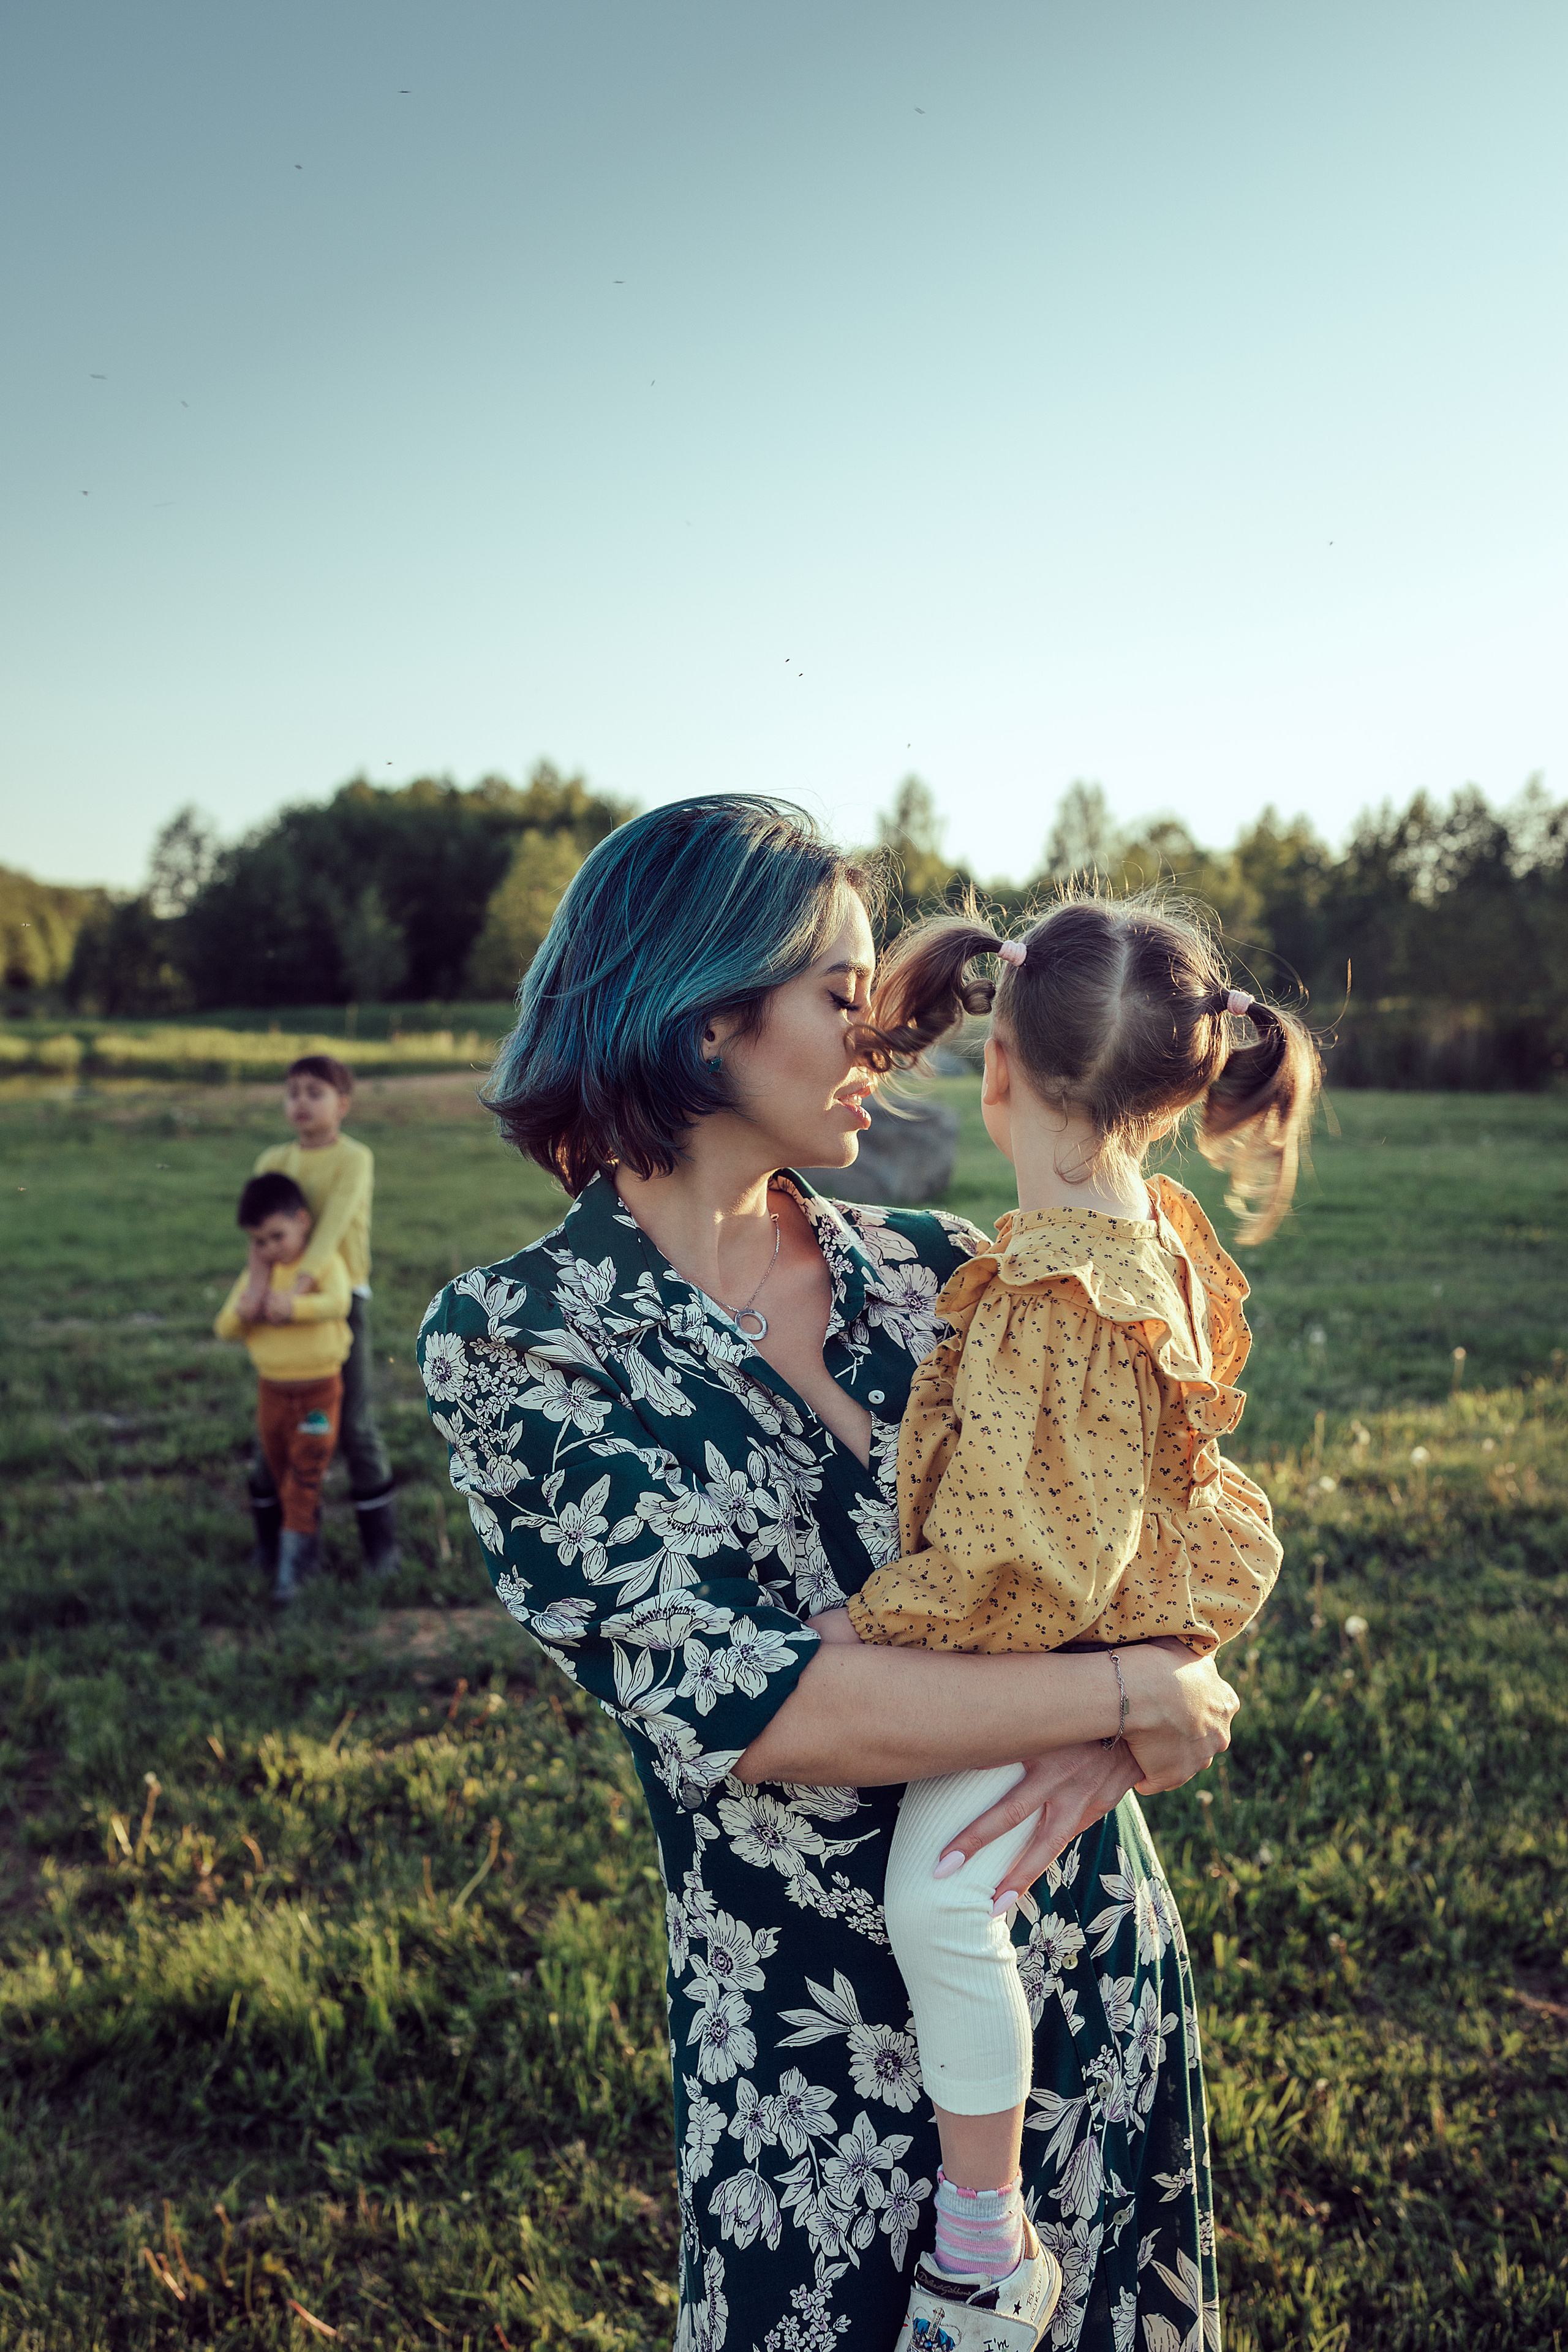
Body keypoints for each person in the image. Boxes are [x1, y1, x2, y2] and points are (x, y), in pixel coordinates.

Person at [417, 797, 1240, 2352]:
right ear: (709, 1017)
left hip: (1076, 1953)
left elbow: (1159, 1518)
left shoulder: (944, 1267)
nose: (884, 1031)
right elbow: (750, 1701)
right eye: (838, 993)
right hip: (808, 2044)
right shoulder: (523, 1339)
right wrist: (1128, 1694)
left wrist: (1167, 1684)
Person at [802, 900, 1316, 2346]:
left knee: (938, 1898)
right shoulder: (1144, 1222)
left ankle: (980, 2242)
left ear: (994, 1072)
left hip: (1051, 1644)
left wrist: (867, 1625)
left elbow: (1021, 1565)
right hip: (1127, 1620)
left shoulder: (1051, 1285)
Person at [248, 1054, 398, 1578]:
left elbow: (331, 1228)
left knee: (354, 1422)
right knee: (276, 1425)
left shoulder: (354, 1159)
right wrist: (260, 1296)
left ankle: (382, 1552)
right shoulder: (272, 1160)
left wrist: (304, 1289)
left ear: (344, 1104)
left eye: (316, 1091)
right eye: (293, 1092)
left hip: (341, 1300)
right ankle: (275, 1548)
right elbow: (258, 1235)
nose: (302, 1101)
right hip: (279, 1307)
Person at [216, 1170, 353, 1603]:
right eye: (259, 1241)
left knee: (303, 1477)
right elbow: (224, 1329)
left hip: (318, 1393)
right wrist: (248, 1306)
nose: (270, 1249)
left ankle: (290, 1579)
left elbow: (340, 1302)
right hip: (272, 1394)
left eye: (277, 1236)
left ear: (303, 1221)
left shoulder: (321, 1266)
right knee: (280, 1474)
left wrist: (295, 1307)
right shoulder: (258, 1277)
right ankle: (305, 1554)